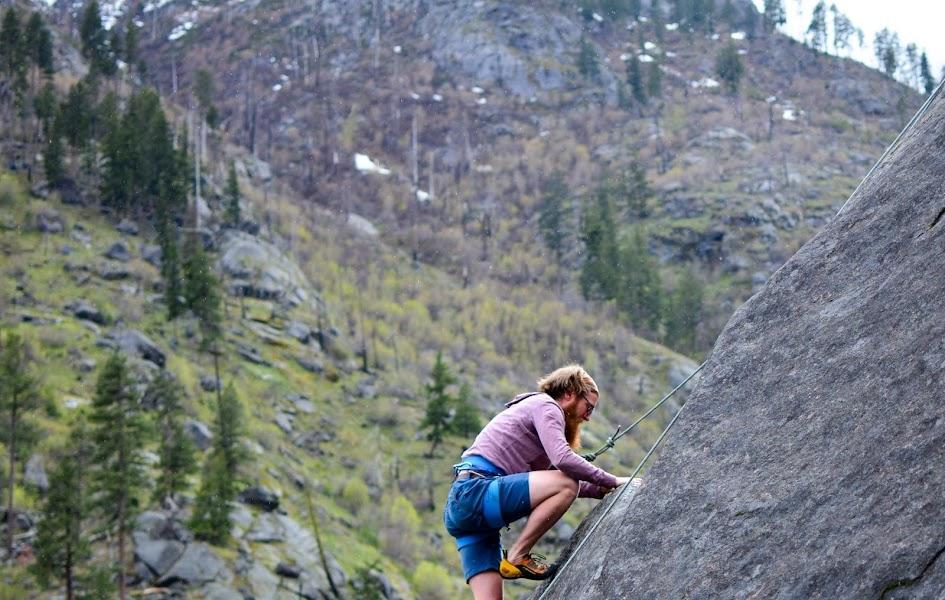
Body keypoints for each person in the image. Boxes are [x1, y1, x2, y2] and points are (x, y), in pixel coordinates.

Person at [443, 364, 630, 599]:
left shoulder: (533, 413)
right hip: (478, 493)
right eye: (588, 407)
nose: (588, 417)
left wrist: (598, 489)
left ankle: (516, 557)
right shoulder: (546, 405)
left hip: (464, 509)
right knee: (567, 484)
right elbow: (563, 464)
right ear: (570, 393)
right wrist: (612, 480)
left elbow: (552, 482)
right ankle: (519, 555)